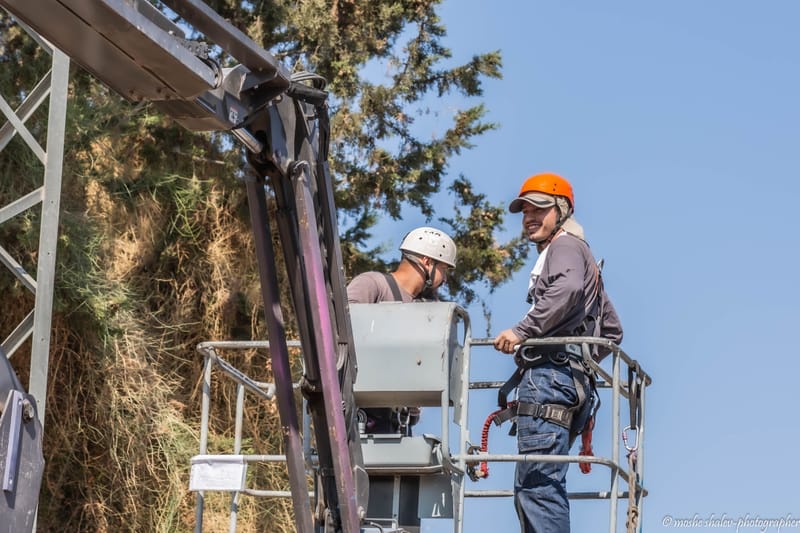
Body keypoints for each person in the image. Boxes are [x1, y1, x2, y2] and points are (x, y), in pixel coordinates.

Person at [493, 173, 623, 533]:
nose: (530, 217)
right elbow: (612, 330)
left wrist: (523, 332)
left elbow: (564, 290)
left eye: (540, 209)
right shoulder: (584, 256)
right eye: (525, 211)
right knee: (539, 485)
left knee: (536, 488)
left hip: (550, 381)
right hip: (569, 385)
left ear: (562, 211)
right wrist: (580, 367)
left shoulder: (564, 248)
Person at [347, 226, 457, 434]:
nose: (444, 278)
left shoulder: (425, 309)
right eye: (443, 269)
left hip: (396, 422)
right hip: (360, 415)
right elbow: (341, 330)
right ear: (427, 262)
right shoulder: (373, 285)